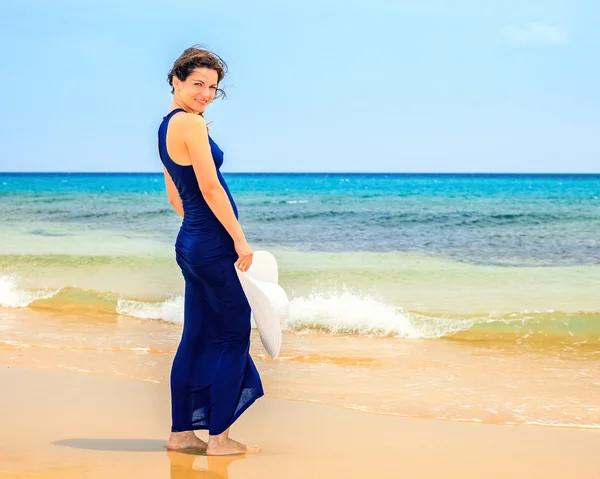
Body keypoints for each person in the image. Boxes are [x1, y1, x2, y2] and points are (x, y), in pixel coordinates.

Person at [157, 45, 263, 455]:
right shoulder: (190, 124)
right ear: (176, 80)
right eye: (197, 83)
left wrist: (198, 231)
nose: (205, 93)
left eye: (212, 88)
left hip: (191, 241)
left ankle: (181, 433)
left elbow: (175, 196)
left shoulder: (168, 124)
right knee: (234, 336)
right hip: (212, 244)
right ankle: (218, 438)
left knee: (196, 336)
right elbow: (209, 186)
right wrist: (237, 238)